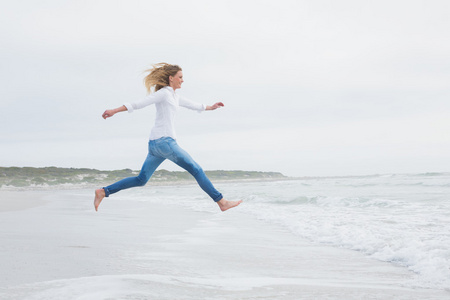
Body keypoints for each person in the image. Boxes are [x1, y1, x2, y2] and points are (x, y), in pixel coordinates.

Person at [94, 63, 242, 212]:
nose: (182, 80)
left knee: (141, 179)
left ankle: (104, 191)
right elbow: (139, 103)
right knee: (196, 169)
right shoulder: (164, 93)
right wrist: (114, 110)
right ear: (171, 78)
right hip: (165, 142)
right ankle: (221, 202)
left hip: (155, 145)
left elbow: (193, 105)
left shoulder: (174, 96)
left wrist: (211, 106)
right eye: (180, 77)